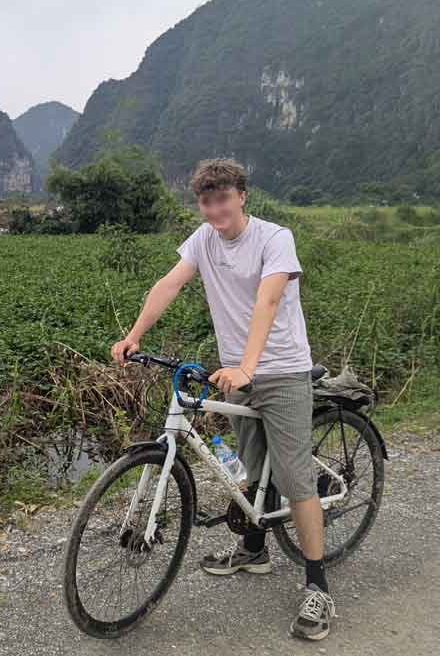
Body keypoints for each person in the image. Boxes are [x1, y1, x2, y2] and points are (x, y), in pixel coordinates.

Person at [110, 157, 335, 641]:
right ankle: (254, 550)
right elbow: (170, 283)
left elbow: (268, 301)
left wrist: (248, 367)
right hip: (237, 372)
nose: (215, 210)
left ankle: (318, 585)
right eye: (206, 201)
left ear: (241, 196)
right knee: (253, 470)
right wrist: (133, 335)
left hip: (280, 371)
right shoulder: (202, 239)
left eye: (222, 199)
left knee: (296, 480)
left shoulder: (275, 238)